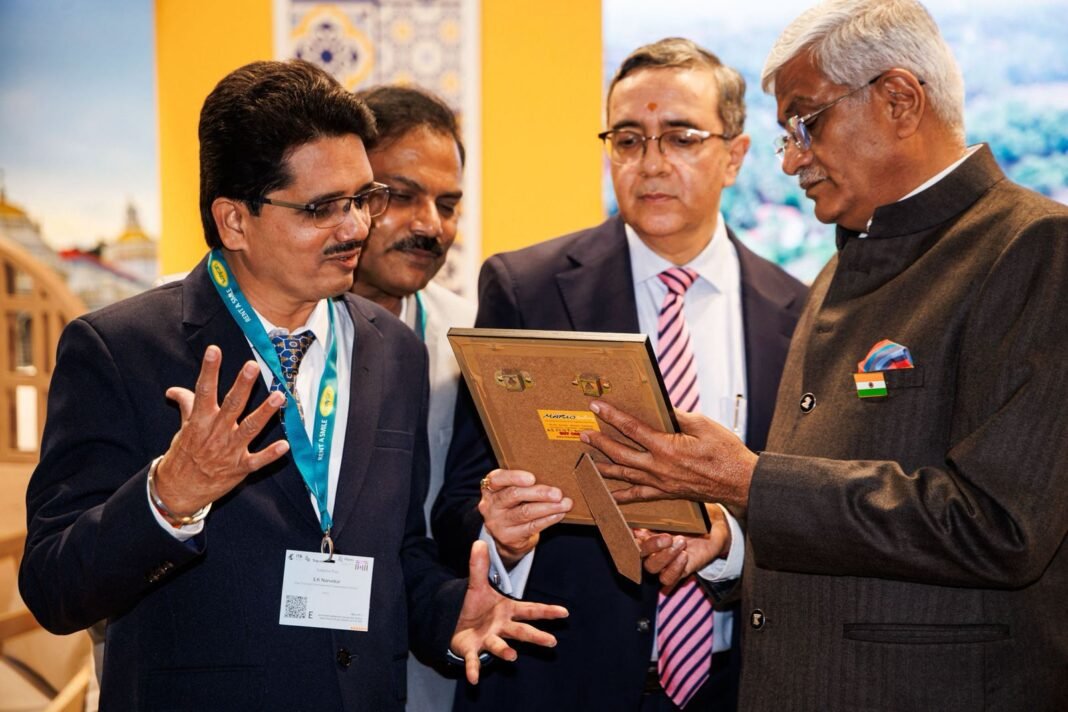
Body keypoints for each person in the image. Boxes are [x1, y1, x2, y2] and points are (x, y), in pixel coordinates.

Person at [18, 59, 565, 711]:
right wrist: (169, 498)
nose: (355, 227)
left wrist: (453, 610)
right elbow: (54, 588)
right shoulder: (121, 349)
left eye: (362, 198)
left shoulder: (393, 350)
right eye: (322, 208)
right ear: (234, 221)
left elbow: (396, 553)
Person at [581, 2, 1068, 710]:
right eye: (786, 135)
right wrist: (732, 545)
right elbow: (835, 527)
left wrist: (750, 482)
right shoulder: (840, 267)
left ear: (899, 100)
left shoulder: (1036, 248)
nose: (791, 160)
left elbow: (1000, 525)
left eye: (806, 123)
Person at [433, 39, 807, 711]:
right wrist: (502, 537)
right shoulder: (529, 289)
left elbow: (806, 513)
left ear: (735, 155)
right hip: (559, 678)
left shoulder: (798, 313)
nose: (652, 163)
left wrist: (728, 544)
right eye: (628, 140)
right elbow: (462, 497)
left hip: (734, 685)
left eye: (682, 138)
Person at [351, 83, 477, 711]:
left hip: (432, 667)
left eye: (447, 204)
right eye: (401, 197)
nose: (430, 225)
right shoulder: (256, 331)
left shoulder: (472, 339)